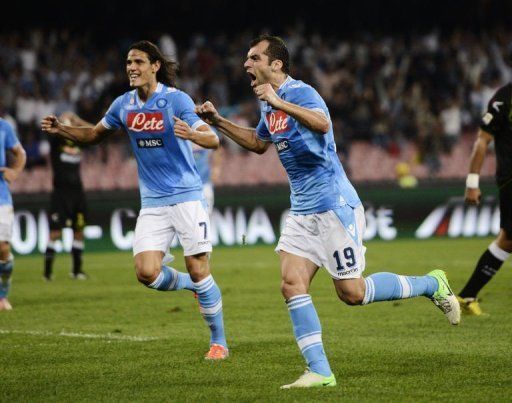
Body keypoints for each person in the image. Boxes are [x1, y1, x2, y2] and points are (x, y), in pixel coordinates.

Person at [196, 35, 460, 388]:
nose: (246, 64)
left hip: (334, 205)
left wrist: (279, 102)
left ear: (276, 64)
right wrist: (218, 121)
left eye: (254, 57)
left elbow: (322, 123)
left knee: (352, 293)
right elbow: (260, 144)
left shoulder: (300, 92)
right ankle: (319, 371)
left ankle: (431, 283)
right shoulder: (267, 103)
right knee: (291, 284)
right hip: (302, 212)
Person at [41, 40, 228, 360]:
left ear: (155, 66)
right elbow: (94, 135)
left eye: (139, 62)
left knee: (199, 268)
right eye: (128, 62)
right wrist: (63, 131)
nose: (131, 67)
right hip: (153, 202)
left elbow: (212, 138)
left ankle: (218, 341)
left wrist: (193, 135)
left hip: (186, 196)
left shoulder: (176, 100)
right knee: (146, 272)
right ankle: (193, 288)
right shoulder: (123, 105)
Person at [458, 82, 512, 315]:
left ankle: (467, 296)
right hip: (511, 178)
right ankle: (466, 296)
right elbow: (482, 141)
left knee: (507, 240)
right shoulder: (504, 98)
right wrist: (472, 183)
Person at [44, 112, 89, 281]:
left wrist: (78, 120)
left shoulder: (77, 142)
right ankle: (47, 273)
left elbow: (95, 131)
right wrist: (60, 123)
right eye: (65, 121)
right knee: (55, 233)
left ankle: (77, 271)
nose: (68, 122)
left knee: (79, 232)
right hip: (60, 193)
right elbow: (52, 130)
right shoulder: (56, 141)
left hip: (78, 192)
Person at [0, 117, 26, 311]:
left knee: (2, 248)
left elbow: (20, 152)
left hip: (1, 197)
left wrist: (15, 172)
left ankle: (3, 293)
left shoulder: (3, 126)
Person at [192, 139, 223, 214]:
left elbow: (217, 148)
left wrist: (216, 168)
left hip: (205, 181)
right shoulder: (178, 130)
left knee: (206, 214)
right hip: (186, 185)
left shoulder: (208, 129)